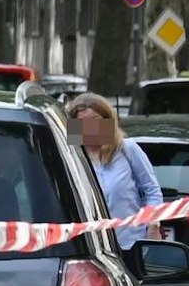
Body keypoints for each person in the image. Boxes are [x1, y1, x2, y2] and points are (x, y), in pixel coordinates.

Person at [68, 93, 163, 244]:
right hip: (93, 247)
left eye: (95, 121)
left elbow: (152, 190)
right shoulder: (71, 158)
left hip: (131, 243)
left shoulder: (127, 149)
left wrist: (153, 225)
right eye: (83, 123)